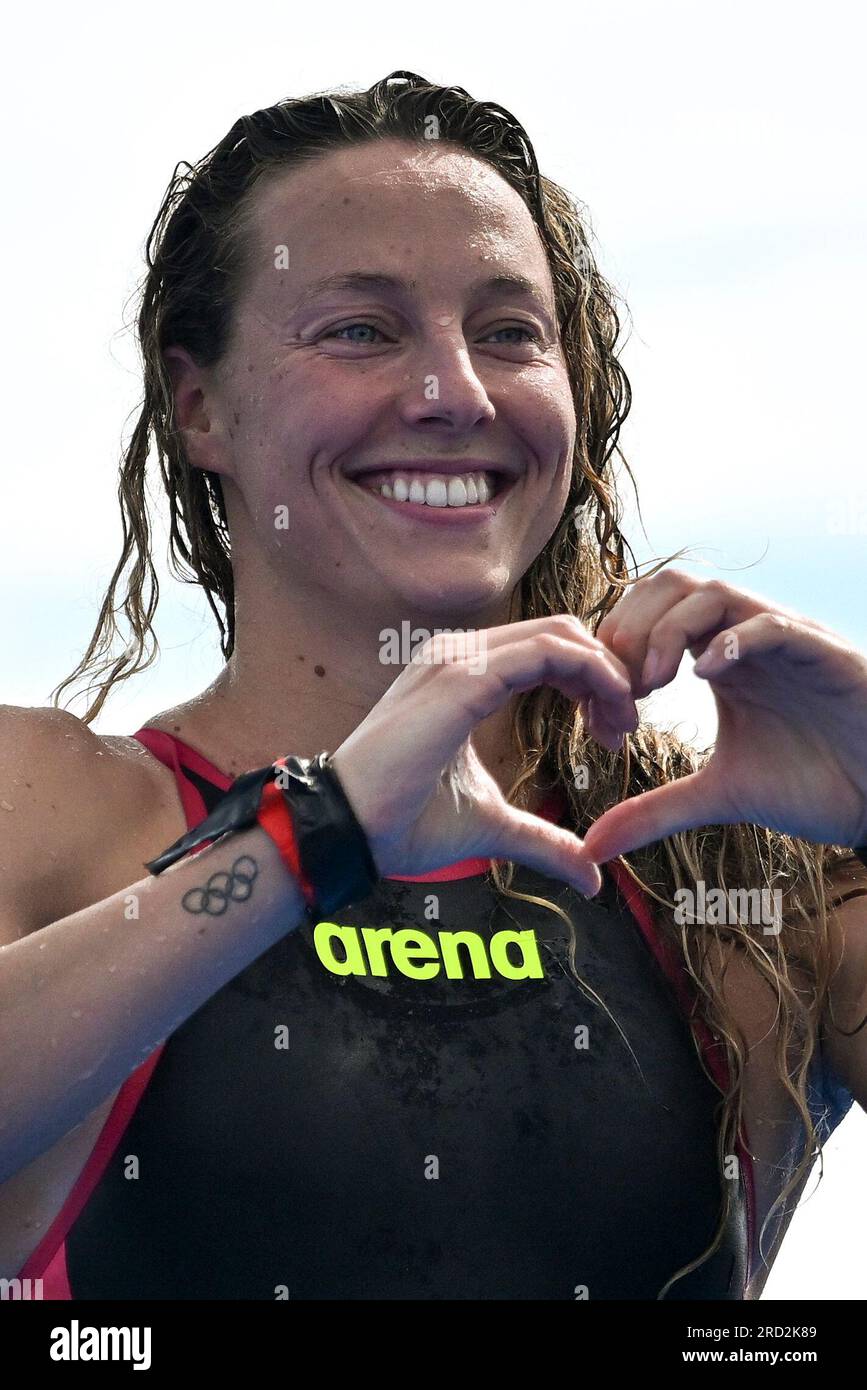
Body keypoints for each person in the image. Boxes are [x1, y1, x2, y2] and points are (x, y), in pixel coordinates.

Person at [1, 70, 865, 1301]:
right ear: (199, 406)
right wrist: (320, 835)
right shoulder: (53, 808)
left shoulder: (733, 873)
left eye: (510, 332)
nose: (454, 393)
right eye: (362, 329)